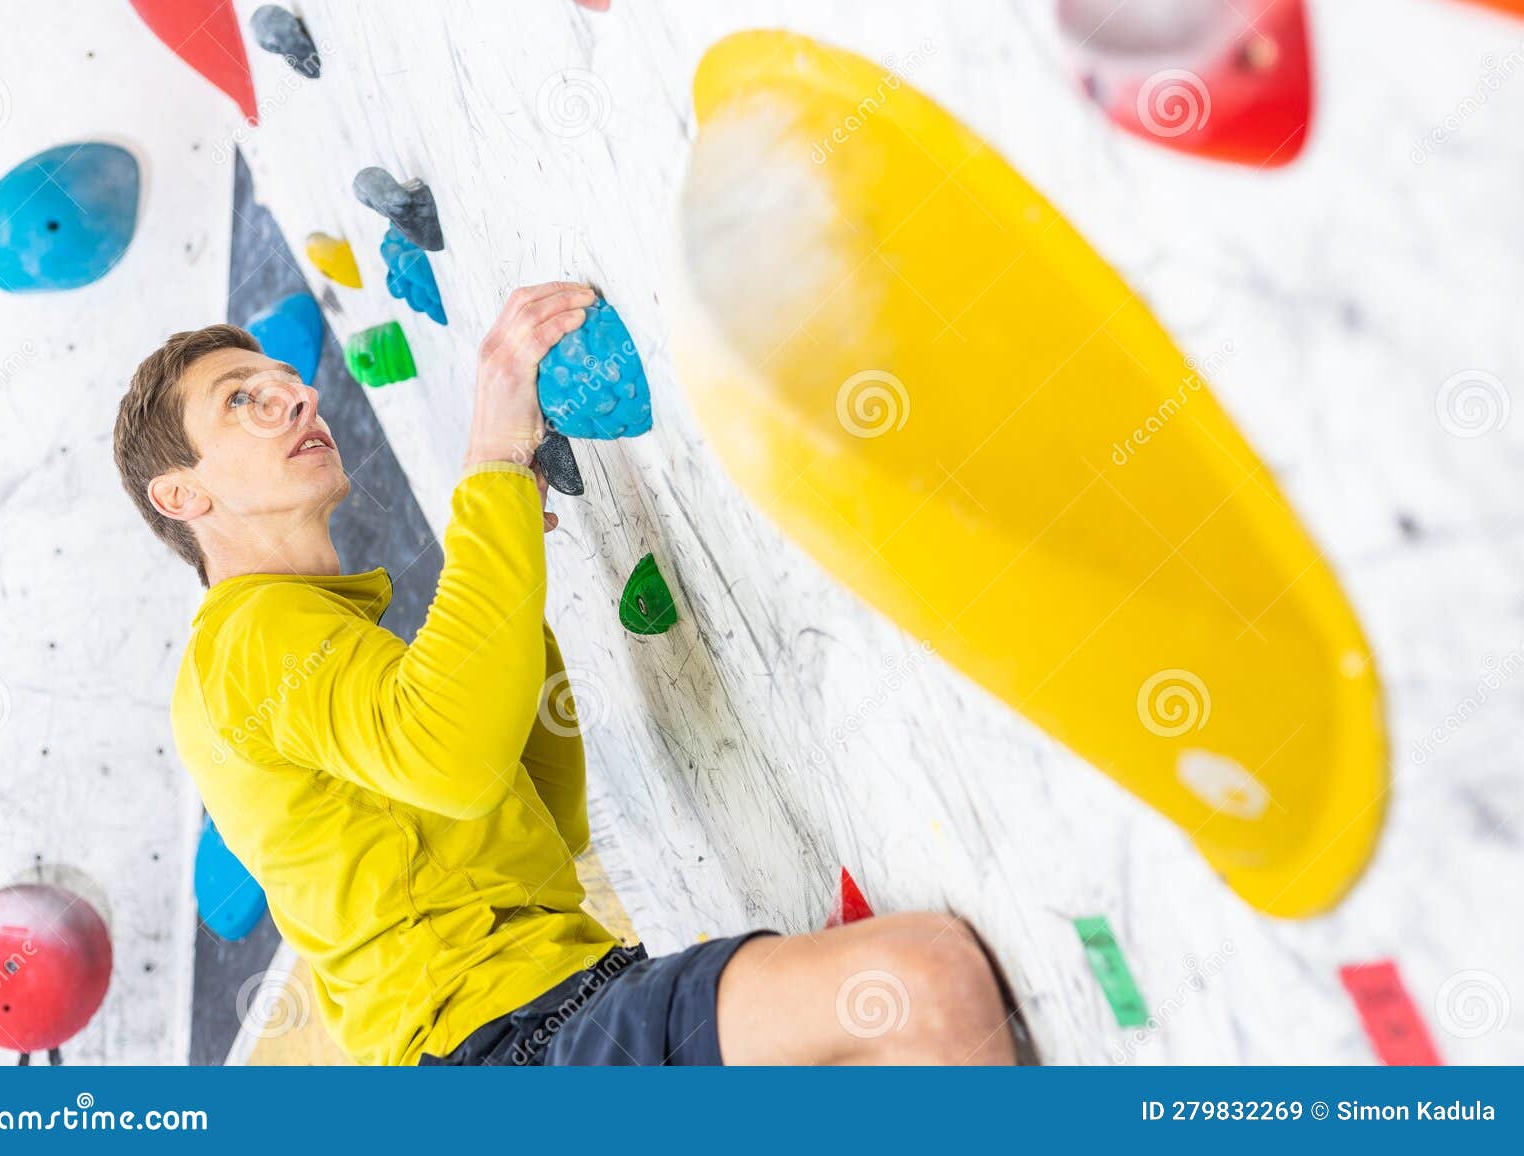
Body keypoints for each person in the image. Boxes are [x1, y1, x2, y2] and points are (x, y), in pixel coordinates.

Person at [113, 282, 1021, 1066]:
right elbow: (456, 758)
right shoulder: (247, 635)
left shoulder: (321, 641)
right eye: (242, 399)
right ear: (182, 496)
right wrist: (493, 459)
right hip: (498, 1046)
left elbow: (548, 818)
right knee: (919, 980)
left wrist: (515, 580)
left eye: (284, 379)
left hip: (548, 1015)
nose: (298, 396)